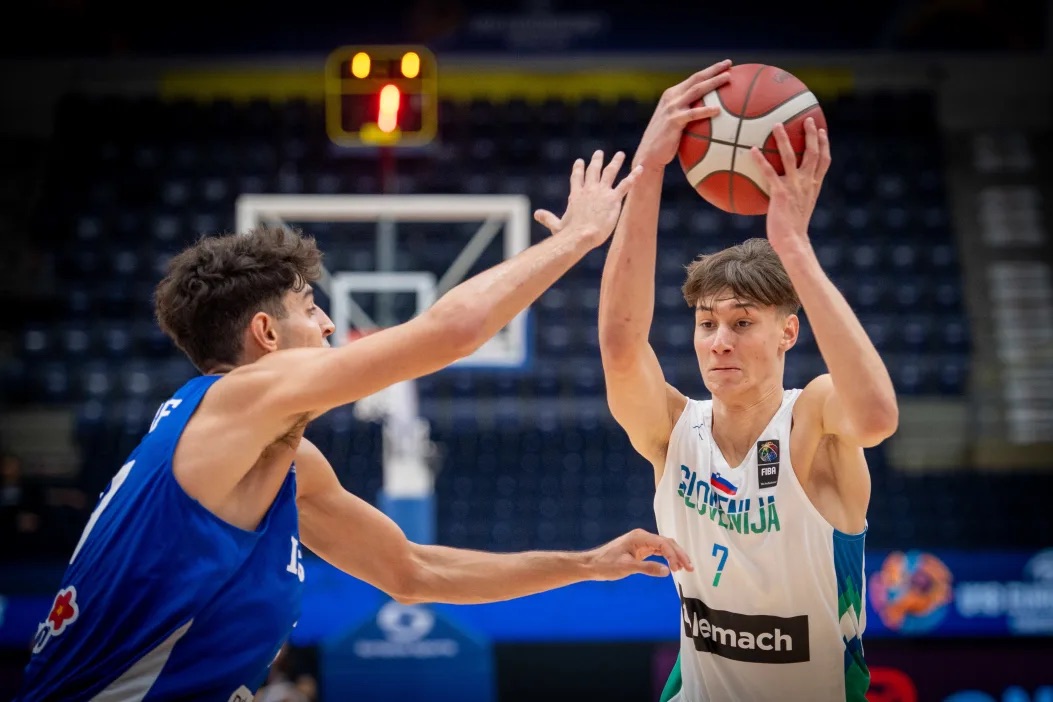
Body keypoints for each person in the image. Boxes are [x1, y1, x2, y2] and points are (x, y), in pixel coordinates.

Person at [16, 151, 696, 701]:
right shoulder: (237, 398)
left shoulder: (281, 460)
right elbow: (452, 330)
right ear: (264, 333)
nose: (330, 324)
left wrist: (587, 565)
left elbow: (412, 571)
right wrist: (579, 236)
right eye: (310, 308)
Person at [597, 62, 899, 701]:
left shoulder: (812, 416)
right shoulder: (673, 428)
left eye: (742, 322)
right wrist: (648, 172)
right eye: (707, 323)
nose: (720, 340)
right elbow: (622, 345)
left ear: (788, 332)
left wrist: (793, 246)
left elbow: (875, 417)